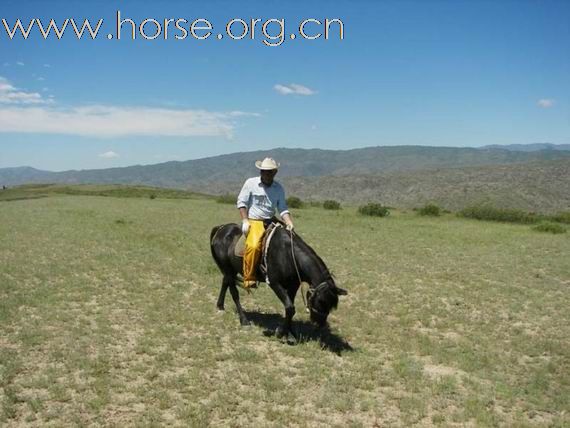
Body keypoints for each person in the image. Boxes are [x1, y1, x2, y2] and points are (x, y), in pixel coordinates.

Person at [236, 157, 294, 289]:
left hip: (272, 220)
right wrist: (245, 220)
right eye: (264, 171)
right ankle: (249, 278)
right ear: (260, 171)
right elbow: (241, 203)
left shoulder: (278, 188)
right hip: (255, 221)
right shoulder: (250, 183)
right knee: (253, 246)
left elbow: (283, 208)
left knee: (290, 240)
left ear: (275, 172)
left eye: (269, 172)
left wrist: (289, 222)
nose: (266, 174)